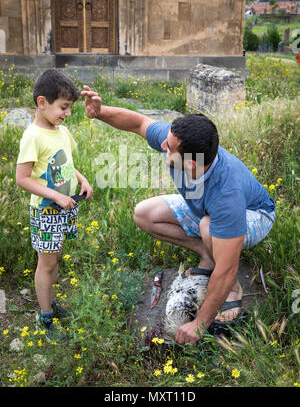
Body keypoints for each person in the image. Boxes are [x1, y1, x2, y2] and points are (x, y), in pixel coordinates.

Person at [81, 85, 275, 346]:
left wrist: (199, 324)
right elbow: (139, 123)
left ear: (191, 163)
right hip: (206, 208)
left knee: (209, 227)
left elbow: (228, 269)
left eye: (169, 147)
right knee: (144, 214)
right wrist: (99, 111)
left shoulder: (227, 192)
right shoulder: (181, 145)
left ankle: (232, 289)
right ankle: (207, 253)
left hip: (255, 214)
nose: (163, 146)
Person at [16, 69, 93, 342]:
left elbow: (68, 164)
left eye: (70, 107)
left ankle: (50, 302)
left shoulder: (61, 131)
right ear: (42, 102)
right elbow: (22, 179)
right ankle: (45, 316)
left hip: (65, 206)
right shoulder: (33, 136)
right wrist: (57, 196)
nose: (68, 113)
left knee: (55, 257)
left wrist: (82, 180)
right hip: (47, 209)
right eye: (64, 107)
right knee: (46, 263)